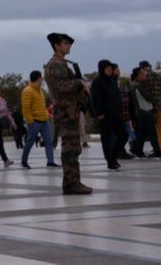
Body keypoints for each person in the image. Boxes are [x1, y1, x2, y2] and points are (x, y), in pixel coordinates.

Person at [42, 33, 92, 194]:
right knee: (70, 148)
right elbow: (62, 86)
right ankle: (71, 183)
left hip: (70, 109)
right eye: (65, 43)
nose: (68, 46)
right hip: (65, 111)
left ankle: (73, 181)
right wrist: (80, 83)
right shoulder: (55, 65)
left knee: (73, 147)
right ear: (56, 45)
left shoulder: (62, 63)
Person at [90, 59, 125, 170]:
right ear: (102, 69)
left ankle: (113, 156)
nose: (110, 70)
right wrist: (99, 113)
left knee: (124, 135)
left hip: (116, 114)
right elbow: (96, 99)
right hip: (105, 115)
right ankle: (110, 161)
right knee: (107, 139)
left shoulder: (112, 80)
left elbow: (117, 96)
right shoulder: (97, 82)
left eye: (111, 68)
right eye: (107, 68)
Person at [20, 70, 58, 169]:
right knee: (30, 142)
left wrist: (47, 114)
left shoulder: (40, 90)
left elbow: (42, 106)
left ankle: (50, 161)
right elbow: (25, 109)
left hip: (44, 121)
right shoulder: (27, 91)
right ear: (38, 78)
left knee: (49, 141)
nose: (42, 79)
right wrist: (30, 122)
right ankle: (24, 161)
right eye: (41, 77)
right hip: (34, 122)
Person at [129, 67, 159, 158]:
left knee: (142, 133)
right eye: (142, 73)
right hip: (145, 112)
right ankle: (157, 152)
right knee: (152, 133)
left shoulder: (136, 84)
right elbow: (148, 97)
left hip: (142, 113)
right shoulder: (138, 86)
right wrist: (156, 100)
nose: (145, 74)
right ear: (138, 76)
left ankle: (137, 151)